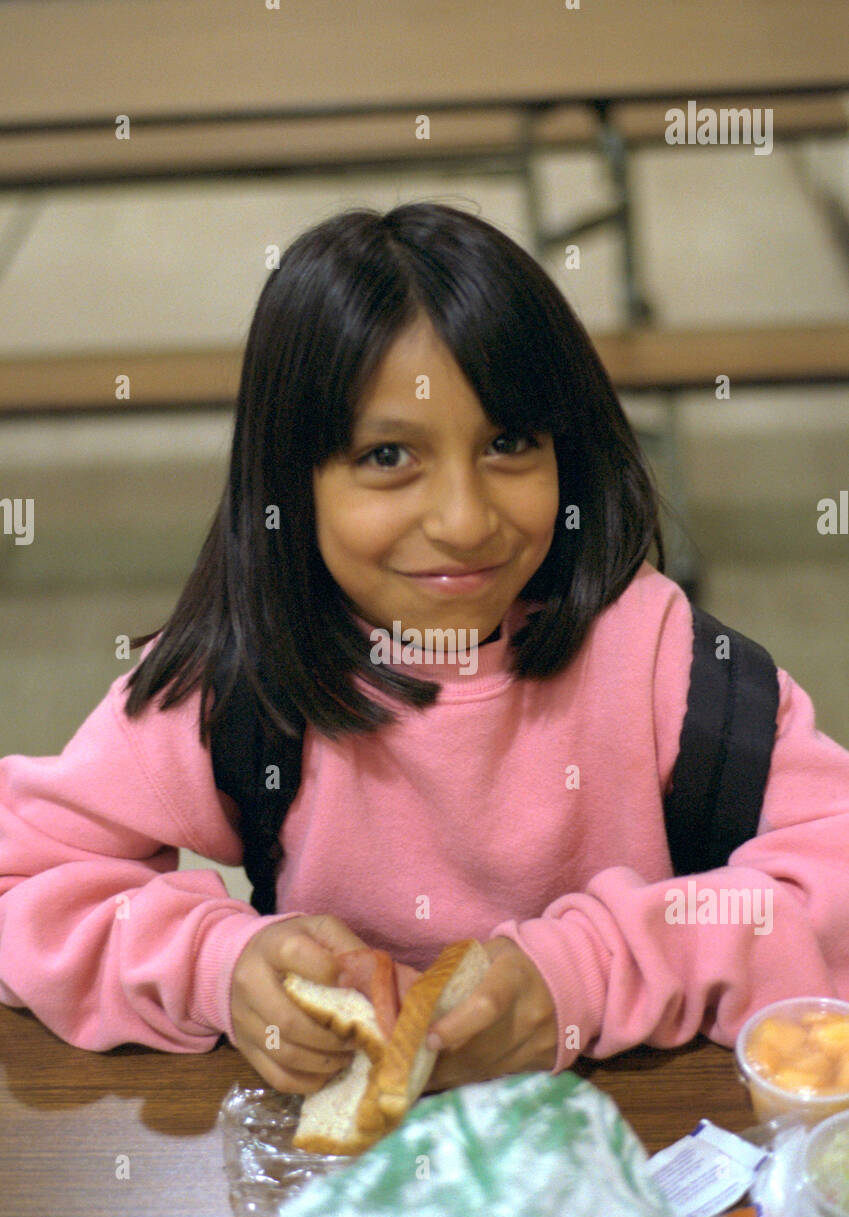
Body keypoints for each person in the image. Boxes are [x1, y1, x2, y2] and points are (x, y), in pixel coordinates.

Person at [1, 201, 848, 1101]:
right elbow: (23, 876)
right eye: (388, 456)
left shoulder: (662, 665)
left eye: (509, 444)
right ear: (290, 479)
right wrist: (219, 964)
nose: (462, 519)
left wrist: (587, 972)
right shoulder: (241, 680)